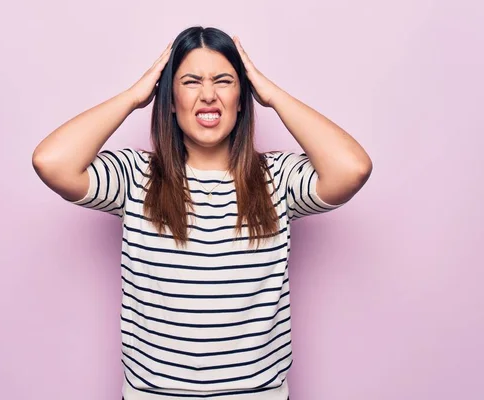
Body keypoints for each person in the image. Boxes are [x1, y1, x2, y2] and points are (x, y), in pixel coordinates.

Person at [32, 26, 372, 400]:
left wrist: (272, 95)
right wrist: (133, 96)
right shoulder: (134, 177)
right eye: (191, 81)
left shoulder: (279, 179)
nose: (208, 95)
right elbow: (52, 162)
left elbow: (352, 168)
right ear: (170, 99)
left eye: (224, 81)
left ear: (242, 97)